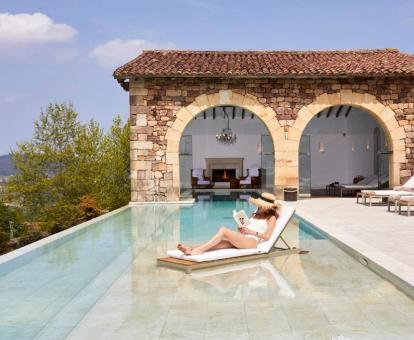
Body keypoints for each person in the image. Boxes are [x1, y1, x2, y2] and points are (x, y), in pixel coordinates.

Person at [177, 193, 281, 255]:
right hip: (244, 238)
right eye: (259, 204)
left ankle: (198, 250)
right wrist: (242, 228)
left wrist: (250, 231)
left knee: (224, 230)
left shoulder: (271, 218)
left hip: (252, 242)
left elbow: (267, 236)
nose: (260, 206)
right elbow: (246, 228)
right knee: (221, 242)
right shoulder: (255, 213)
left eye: (262, 205)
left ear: (269, 207)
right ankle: (190, 248)